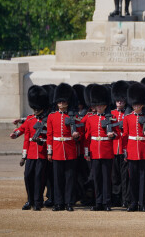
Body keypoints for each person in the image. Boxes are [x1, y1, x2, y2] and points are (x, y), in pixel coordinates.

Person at [47, 83, 83, 212]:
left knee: (70, 179)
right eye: (60, 102)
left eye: (64, 102)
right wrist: (49, 152)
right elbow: (50, 135)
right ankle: (58, 203)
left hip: (70, 150)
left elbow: (81, 134)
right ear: (57, 102)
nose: (62, 104)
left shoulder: (73, 116)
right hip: (57, 150)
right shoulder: (52, 116)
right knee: (58, 179)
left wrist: (77, 135)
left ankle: (69, 202)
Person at [84, 85, 119, 211]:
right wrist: (86, 152)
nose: (99, 107)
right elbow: (87, 137)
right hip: (94, 151)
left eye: (101, 105)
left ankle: (107, 202)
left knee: (106, 178)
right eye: (97, 105)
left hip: (107, 151)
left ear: (105, 105)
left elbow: (118, 133)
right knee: (97, 178)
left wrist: (113, 135)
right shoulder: (90, 118)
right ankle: (98, 202)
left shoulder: (111, 118)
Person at [122, 83, 145, 212]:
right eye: (134, 105)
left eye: (138, 105)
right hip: (131, 150)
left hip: (143, 150)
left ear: (142, 105)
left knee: (143, 178)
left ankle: (143, 203)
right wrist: (125, 152)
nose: (136, 107)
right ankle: (133, 202)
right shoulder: (127, 118)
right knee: (133, 178)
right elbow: (125, 135)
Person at [20, 85, 50, 211]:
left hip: (42, 153)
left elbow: (50, 137)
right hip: (31, 153)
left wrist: (42, 141)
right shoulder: (29, 120)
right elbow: (26, 139)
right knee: (28, 176)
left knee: (39, 177)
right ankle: (30, 200)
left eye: (37, 108)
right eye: (34, 108)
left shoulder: (47, 120)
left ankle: (38, 201)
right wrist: (23, 156)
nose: (35, 110)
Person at [111, 80, 130, 208]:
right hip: (113, 148)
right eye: (118, 100)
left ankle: (125, 199)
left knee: (125, 175)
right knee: (114, 175)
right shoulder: (111, 114)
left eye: (122, 100)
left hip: (124, 148)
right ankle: (116, 198)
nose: (119, 102)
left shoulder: (128, 114)